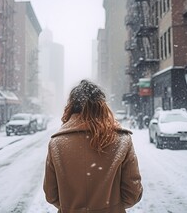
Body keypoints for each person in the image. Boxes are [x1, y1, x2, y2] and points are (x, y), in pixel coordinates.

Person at [43, 80, 143, 213]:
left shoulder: (57, 143)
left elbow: (51, 195)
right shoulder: (121, 140)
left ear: (72, 106)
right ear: (102, 105)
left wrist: (71, 206)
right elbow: (132, 194)